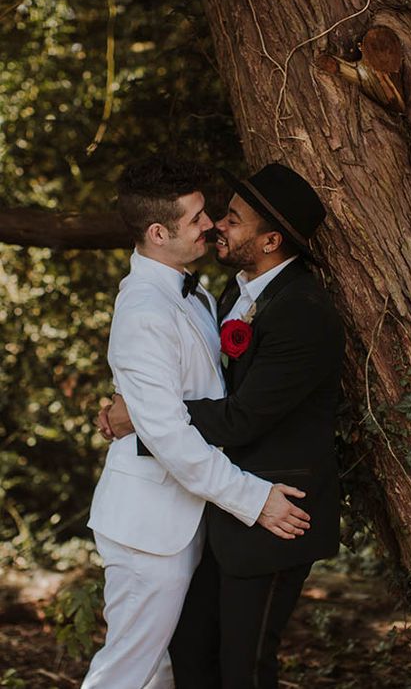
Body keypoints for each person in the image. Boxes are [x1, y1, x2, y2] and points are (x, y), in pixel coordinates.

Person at [105, 163, 345, 689]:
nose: (215, 225)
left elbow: (235, 415)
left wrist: (140, 414)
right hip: (219, 510)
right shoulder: (227, 296)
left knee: (242, 669)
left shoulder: (298, 309)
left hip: (278, 508)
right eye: (207, 217)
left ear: (271, 240)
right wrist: (149, 412)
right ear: (158, 232)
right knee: (183, 659)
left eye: (230, 219)